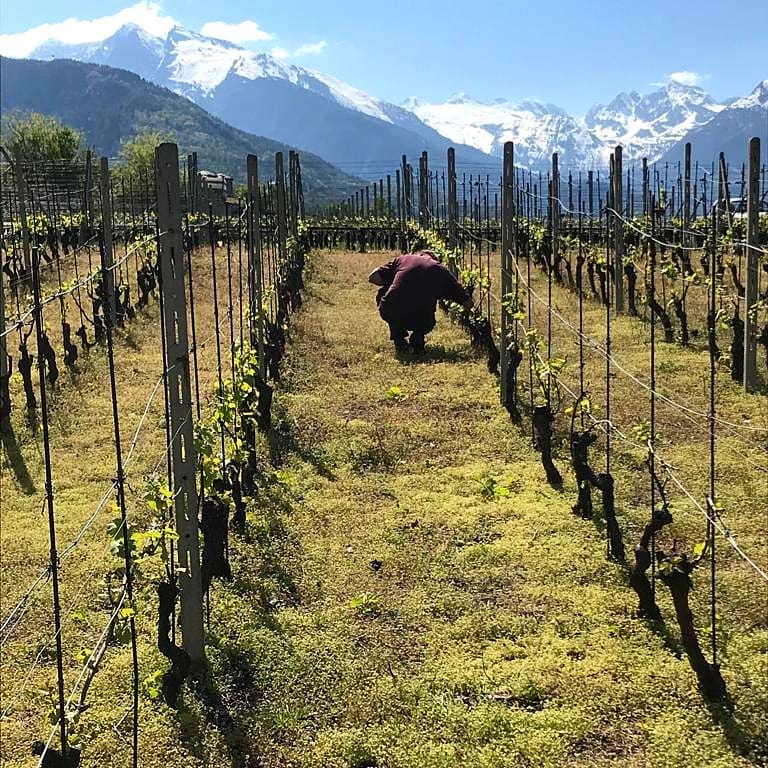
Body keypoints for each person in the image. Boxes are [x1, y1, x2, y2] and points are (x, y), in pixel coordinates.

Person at [368, 251, 473, 352]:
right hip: (420, 317)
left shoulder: (403, 259)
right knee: (426, 314)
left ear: (417, 253)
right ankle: (418, 334)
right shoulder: (440, 269)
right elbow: (466, 301)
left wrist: (394, 283)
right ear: (435, 259)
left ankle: (398, 338)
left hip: (391, 311)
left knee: (385, 294)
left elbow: (373, 277)